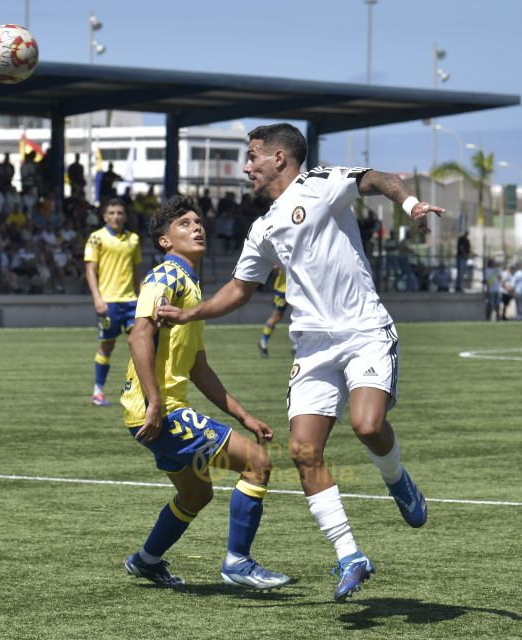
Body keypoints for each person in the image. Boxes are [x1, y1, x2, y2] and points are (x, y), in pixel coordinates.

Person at [158, 123, 442, 601]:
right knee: (303, 451)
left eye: (252, 157)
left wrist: (411, 204)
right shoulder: (263, 227)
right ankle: (350, 555)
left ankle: (398, 481)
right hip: (312, 348)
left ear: (279, 159)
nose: (246, 167)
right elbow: (239, 290)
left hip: (365, 331)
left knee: (368, 426)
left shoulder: (321, 184)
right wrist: (191, 312)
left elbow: (379, 179)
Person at [121, 194, 291, 590]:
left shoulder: (189, 284)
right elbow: (138, 335)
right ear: (165, 241)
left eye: (199, 222)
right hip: (160, 412)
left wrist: (243, 415)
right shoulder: (167, 276)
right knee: (258, 464)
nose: (197, 227)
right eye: (184, 224)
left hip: (149, 412)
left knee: (196, 495)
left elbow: (198, 367)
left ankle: (146, 560)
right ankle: (238, 562)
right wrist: (157, 401)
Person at [84, 198, 142, 406]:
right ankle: (98, 391)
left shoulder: (133, 239)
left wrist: (145, 296)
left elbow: (136, 272)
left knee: (141, 345)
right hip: (109, 302)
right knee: (107, 346)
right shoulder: (96, 238)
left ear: (125, 216)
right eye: (112, 213)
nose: (116, 216)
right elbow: (90, 270)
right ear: (104, 216)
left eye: (120, 213)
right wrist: (97, 299)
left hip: (132, 302)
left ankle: (138, 390)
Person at [258, 267, 290, 357]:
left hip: (299, 290)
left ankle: (297, 345)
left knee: (302, 316)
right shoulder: (286, 254)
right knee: (276, 316)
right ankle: (263, 342)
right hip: (283, 290)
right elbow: (274, 267)